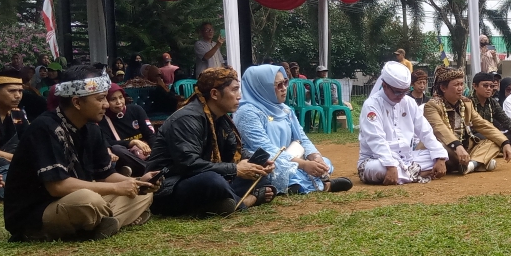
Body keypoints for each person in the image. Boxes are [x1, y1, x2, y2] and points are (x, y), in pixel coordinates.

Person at [3, 66, 157, 242]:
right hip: (38, 211)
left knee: (142, 194)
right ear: (77, 102)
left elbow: (105, 175)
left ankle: (105, 223)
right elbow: (57, 187)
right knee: (89, 200)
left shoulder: (92, 128)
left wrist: (137, 182)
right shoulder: (45, 128)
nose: (106, 105)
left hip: (72, 201)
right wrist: (116, 188)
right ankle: (109, 220)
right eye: (100, 99)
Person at [146, 67, 276, 217]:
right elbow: (189, 165)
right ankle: (248, 200)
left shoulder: (221, 118)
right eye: (234, 90)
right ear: (214, 94)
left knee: (258, 172)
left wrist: (258, 162)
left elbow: (234, 152)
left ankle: (219, 204)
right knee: (212, 180)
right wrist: (235, 169)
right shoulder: (186, 119)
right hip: (172, 186)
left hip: (209, 177)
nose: (239, 96)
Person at [233, 65, 351, 195]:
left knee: (324, 162)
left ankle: (303, 185)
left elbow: (302, 138)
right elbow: (266, 149)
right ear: (262, 87)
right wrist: (304, 165)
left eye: (285, 82)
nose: (284, 89)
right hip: (268, 160)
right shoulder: (247, 112)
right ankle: (322, 185)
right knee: (282, 171)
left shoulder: (284, 109)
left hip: (292, 158)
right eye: (278, 85)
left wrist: (316, 158)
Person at [357, 62, 448, 185]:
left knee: (437, 155)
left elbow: (425, 131)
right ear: (385, 86)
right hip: (376, 160)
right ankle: (416, 173)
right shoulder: (372, 105)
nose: (401, 96)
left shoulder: (408, 102)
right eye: (397, 92)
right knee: (379, 169)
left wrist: (440, 157)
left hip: (407, 158)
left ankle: (406, 174)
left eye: (404, 91)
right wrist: (390, 165)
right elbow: (376, 139)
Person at [425, 67, 511, 174]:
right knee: (440, 147)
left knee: (494, 141)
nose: (460, 88)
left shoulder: (466, 103)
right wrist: (457, 146)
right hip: (447, 148)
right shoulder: (432, 105)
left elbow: (482, 124)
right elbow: (440, 129)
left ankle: (470, 165)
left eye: (461, 84)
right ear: (443, 88)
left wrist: (504, 142)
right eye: (456, 85)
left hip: (465, 148)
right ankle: (478, 163)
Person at [99, 84, 156, 177]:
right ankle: (151, 169)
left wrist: (154, 153)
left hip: (146, 152)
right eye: (113, 99)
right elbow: (108, 142)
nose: (119, 102)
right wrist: (132, 142)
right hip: (126, 154)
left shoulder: (136, 110)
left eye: (121, 97)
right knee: (116, 149)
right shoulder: (103, 118)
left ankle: (136, 169)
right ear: (106, 101)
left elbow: (150, 135)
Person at [470, 72, 511, 157]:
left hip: (493, 134)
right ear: (475, 86)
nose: (489, 89)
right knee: (487, 138)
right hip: (475, 136)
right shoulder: (468, 102)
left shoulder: (492, 102)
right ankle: (509, 149)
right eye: (485, 86)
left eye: (491, 86)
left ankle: (500, 149)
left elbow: (506, 120)